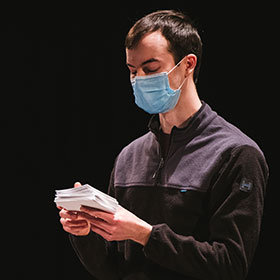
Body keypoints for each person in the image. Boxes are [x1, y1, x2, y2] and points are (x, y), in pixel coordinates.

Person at [58, 10, 269, 280]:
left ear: (188, 64)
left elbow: (230, 265)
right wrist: (86, 232)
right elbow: (113, 269)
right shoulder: (129, 156)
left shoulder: (235, 154)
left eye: (151, 68)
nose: (140, 79)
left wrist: (145, 235)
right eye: (133, 71)